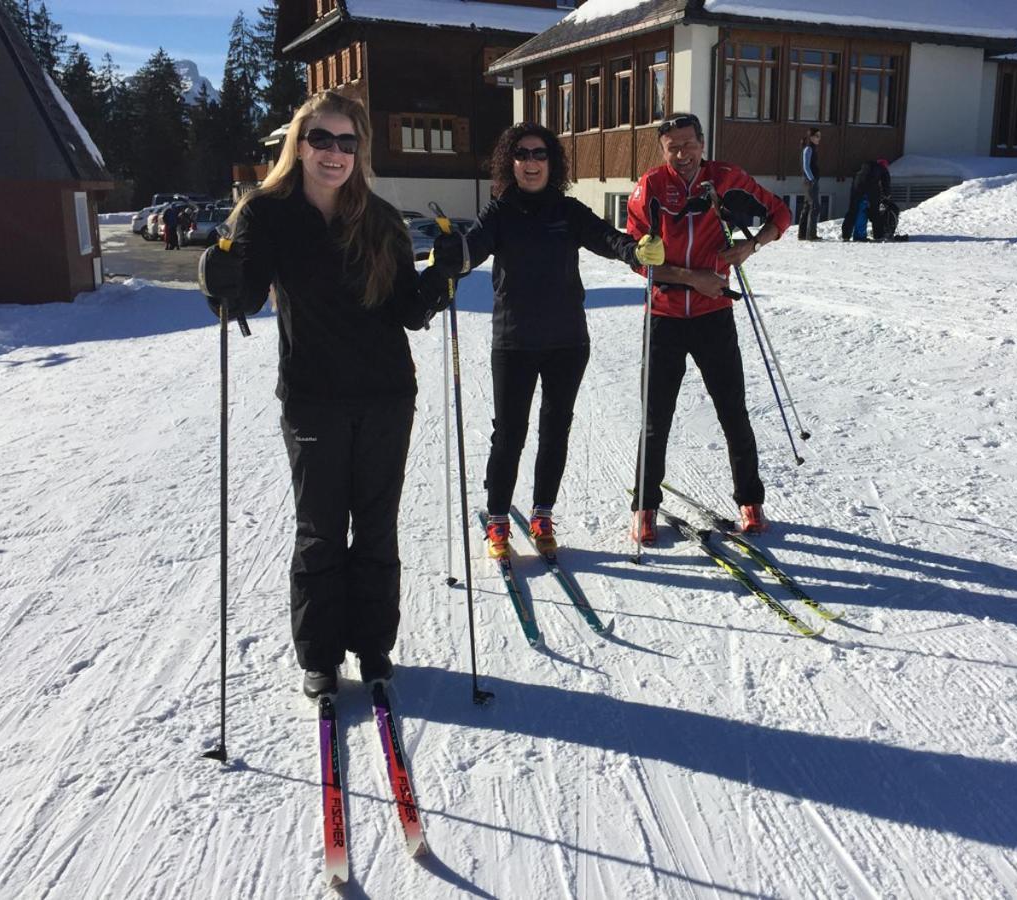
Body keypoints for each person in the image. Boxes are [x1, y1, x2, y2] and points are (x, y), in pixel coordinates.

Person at [199, 91, 452, 699]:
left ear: (359, 150)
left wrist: (442, 278)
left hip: (387, 392)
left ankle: (373, 647)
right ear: (299, 144)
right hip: (313, 396)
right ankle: (319, 654)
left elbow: (405, 309)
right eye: (321, 140)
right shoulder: (266, 214)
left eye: (347, 142)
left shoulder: (382, 219)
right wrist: (220, 281)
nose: (334, 153)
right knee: (319, 529)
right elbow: (244, 298)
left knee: (376, 526)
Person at [430, 122, 664, 559]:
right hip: (514, 342)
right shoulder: (499, 212)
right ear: (510, 161)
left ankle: (542, 515)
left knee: (556, 431)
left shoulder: (568, 211)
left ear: (551, 162)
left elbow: (607, 238)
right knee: (510, 435)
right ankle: (498, 520)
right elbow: (471, 249)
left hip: (566, 341)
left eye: (540, 154)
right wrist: (452, 254)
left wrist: (635, 251)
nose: (531, 163)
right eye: (522, 154)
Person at [625, 112, 791, 542]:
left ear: (702, 143)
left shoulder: (726, 178)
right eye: (672, 148)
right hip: (663, 316)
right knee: (655, 418)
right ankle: (644, 507)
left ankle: (750, 502)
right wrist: (691, 277)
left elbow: (781, 214)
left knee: (733, 411)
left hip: (713, 316)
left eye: (688, 145)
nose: (681, 154)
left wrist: (751, 246)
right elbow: (639, 259)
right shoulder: (650, 189)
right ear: (662, 151)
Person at [841, 158, 891, 242]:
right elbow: (886, 183)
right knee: (873, 212)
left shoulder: (865, 165)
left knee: (853, 211)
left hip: (856, 187)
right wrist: (887, 195)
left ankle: (846, 235)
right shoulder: (882, 169)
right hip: (869, 190)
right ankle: (876, 236)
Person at [798, 129, 821, 241]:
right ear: (811, 137)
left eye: (819, 136)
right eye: (817, 136)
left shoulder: (811, 148)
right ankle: (811, 235)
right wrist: (812, 180)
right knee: (815, 207)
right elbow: (806, 166)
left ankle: (802, 234)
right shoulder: (808, 148)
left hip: (809, 181)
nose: (819, 139)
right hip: (810, 181)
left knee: (807, 206)